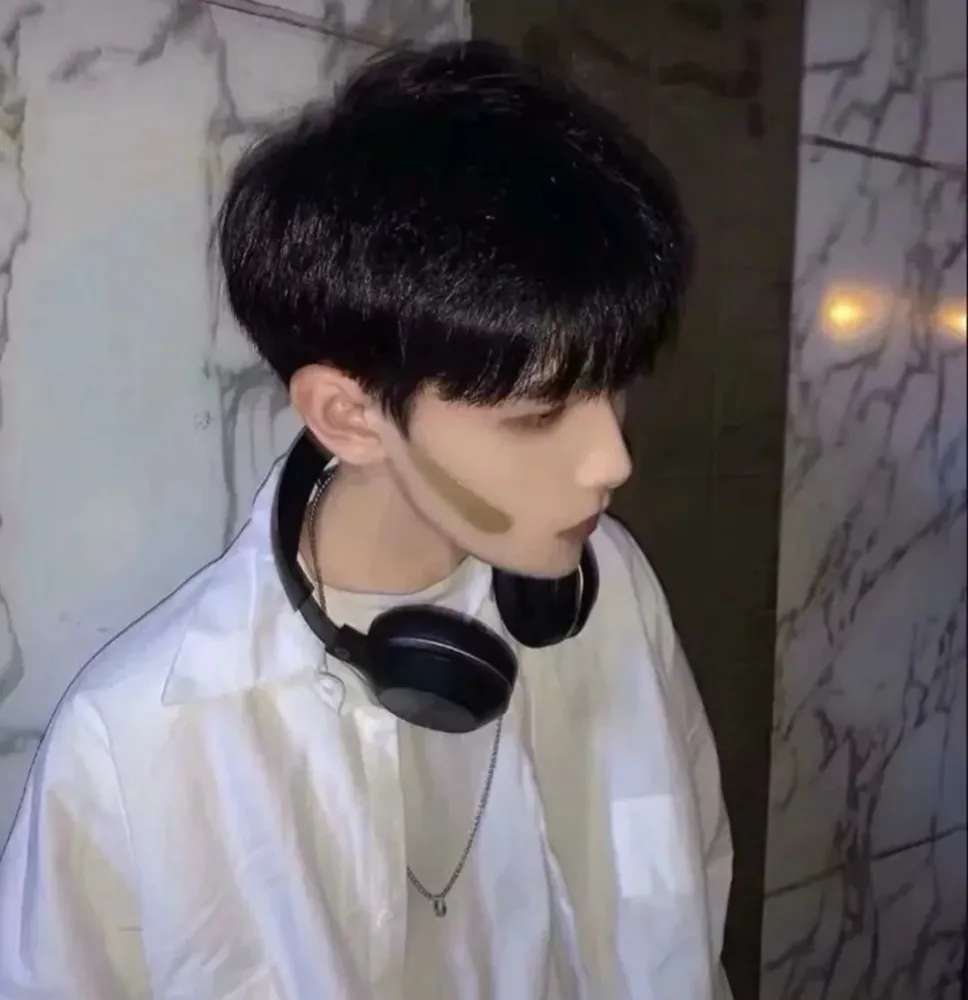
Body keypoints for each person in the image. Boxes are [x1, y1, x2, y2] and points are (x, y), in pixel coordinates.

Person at [0, 40, 732, 1000]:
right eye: (540, 415)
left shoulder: (611, 589)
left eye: (614, 387)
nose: (613, 459)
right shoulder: (144, 742)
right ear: (348, 416)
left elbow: (686, 909)